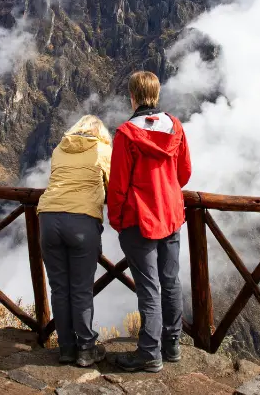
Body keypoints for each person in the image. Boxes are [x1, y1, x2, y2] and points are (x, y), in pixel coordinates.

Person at [107, 71, 192, 373]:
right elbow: (184, 173)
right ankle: (172, 346)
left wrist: (117, 219)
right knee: (170, 282)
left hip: (139, 218)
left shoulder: (126, 134)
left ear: (132, 96)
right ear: (155, 94)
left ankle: (149, 354)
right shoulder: (176, 128)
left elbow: (117, 184)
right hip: (171, 215)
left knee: (149, 287)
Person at [37, 115, 112, 367]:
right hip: (81, 222)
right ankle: (86, 348)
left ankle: (66, 348)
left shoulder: (59, 149)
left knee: (59, 288)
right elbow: (112, 187)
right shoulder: (103, 150)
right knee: (81, 289)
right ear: (100, 133)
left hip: (48, 219)